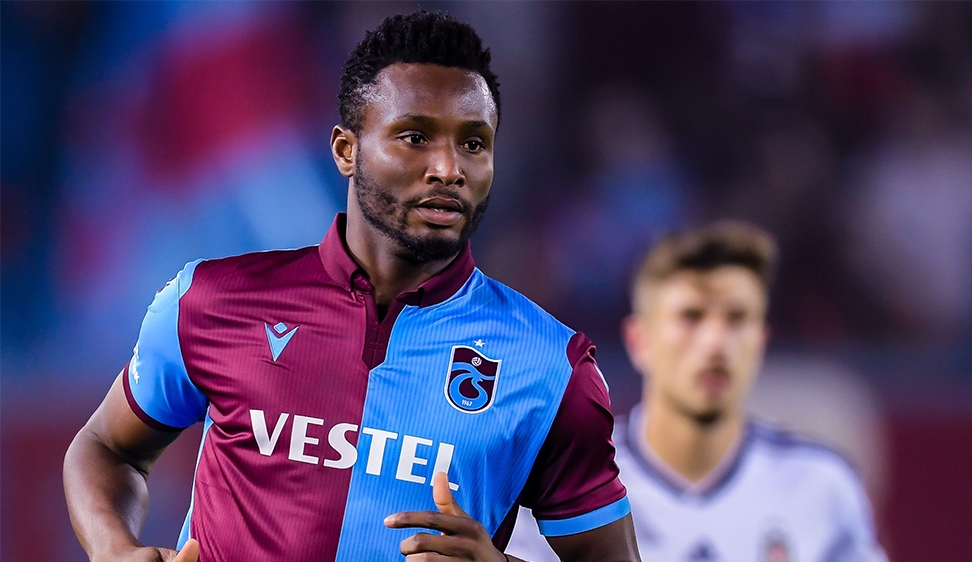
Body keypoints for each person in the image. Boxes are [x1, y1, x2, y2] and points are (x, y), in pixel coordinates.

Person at [62, 11, 640, 562]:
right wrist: (113, 547)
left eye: (473, 143)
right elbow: (107, 449)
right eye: (415, 137)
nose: (449, 168)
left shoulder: (551, 366)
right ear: (346, 150)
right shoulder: (212, 300)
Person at [507, 223, 887, 561]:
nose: (715, 343)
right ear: (639, 340)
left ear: (760, 342)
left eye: (736, 319)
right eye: (691, 317)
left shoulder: (820, 487)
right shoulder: (563, 481)